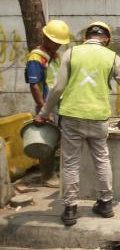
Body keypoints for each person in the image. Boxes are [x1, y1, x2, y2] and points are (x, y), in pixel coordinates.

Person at [34, 21, 120, 227]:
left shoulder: (71, 54)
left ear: (85, 37)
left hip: (72, 116)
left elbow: (57, 89)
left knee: (71, 162)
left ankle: (71, 208)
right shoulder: (112, 57)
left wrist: (44, 113)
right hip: (98, 118)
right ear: (106, 39)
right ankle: (106, 204)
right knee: (101, 159)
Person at [24, 19, 70, 188]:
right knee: (46, 140)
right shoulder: (36, 57)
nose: (58, 45)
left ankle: (54, 173)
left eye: (60, 43)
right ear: (46, 38)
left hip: (59, 103)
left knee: (57, 138)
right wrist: (44, 109)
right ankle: (47, 176)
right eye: (56, 42)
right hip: (47, 104)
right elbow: (34, 85)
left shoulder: (54, 56)